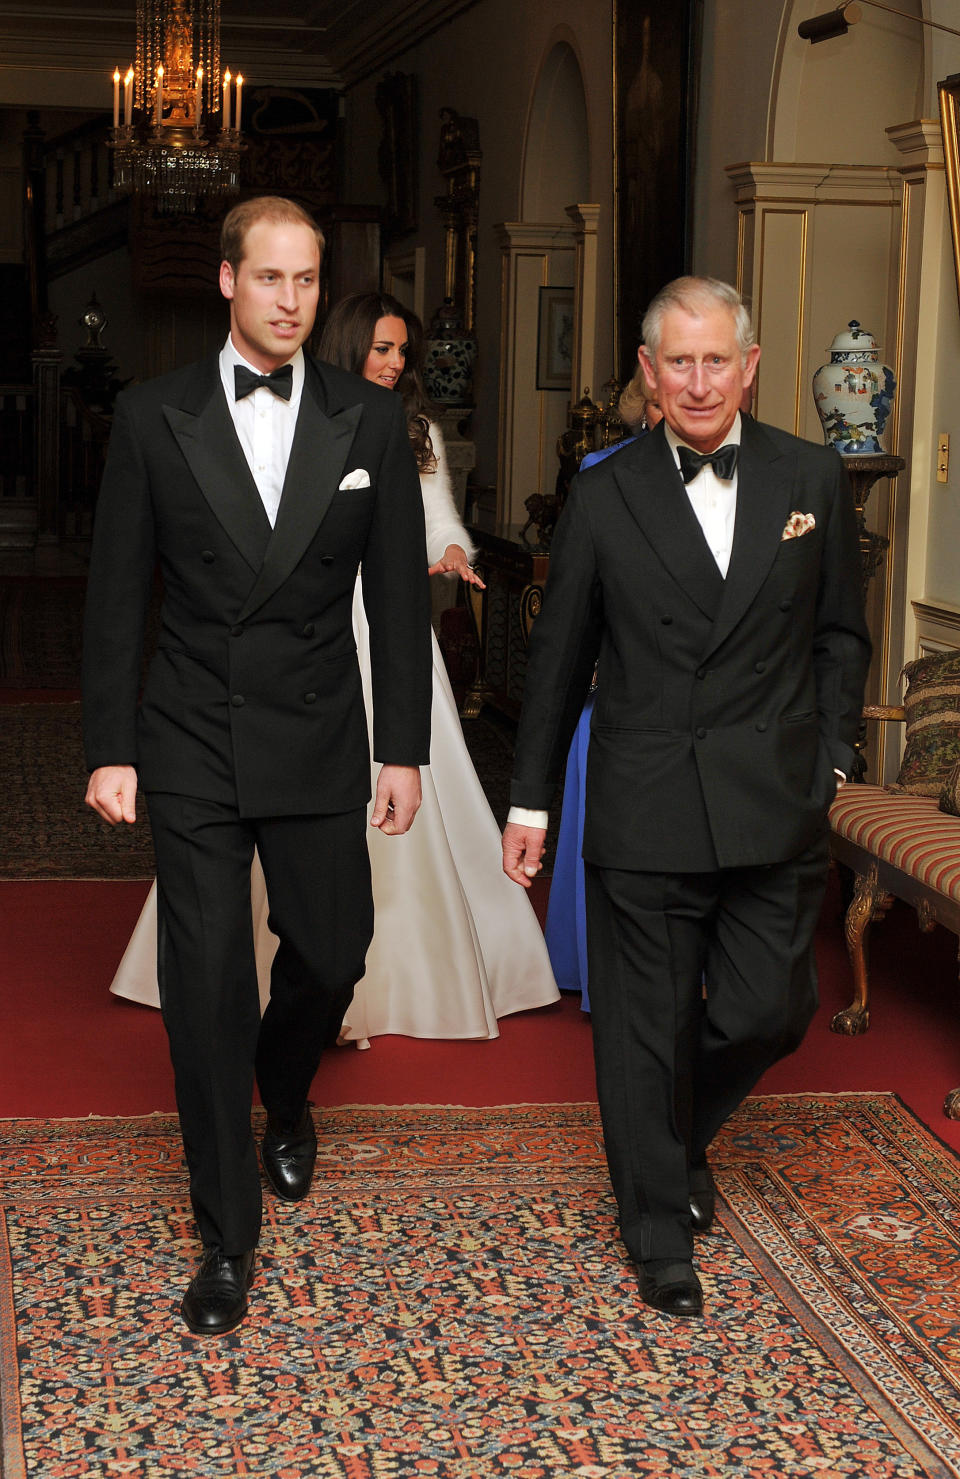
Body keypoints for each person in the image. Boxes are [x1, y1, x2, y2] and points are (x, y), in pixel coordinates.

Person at [82, 197, 433, 1336]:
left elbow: (398, 598)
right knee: (207, 993)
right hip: (190, 732)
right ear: (228, 282)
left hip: (323, 729)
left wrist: (405, 751)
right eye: (271, 278)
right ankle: (226, 1237)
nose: (291, 301)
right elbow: (113, 592)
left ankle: (288, 1096)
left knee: (333, 953)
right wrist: (111, 748)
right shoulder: (153, 415)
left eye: (307, 282)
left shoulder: (365, 421)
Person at [502, 276, 870, 1319]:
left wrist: (832, 758)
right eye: (680, 363)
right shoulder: (605, 492)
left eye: (719, 361)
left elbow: (843, 633)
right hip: (647, 797)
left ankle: (671, 1138)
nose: (700, 382)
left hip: (773, 798)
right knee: (643, 1027)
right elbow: (559, 660)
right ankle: (658, 1223)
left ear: (748, 367)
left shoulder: (812, 476)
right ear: (650, 377)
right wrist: (530, 804)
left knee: (771, 1008)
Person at [108, 292, 559, 1042]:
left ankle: (364, 1002)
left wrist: (450, 551)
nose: (395, 363)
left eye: (402, 352)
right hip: (251, 662)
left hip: (373, 635)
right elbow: (126, 591)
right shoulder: (192, 414)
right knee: (225, 897)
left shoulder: (402, 426)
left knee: (357, 885)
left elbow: (437, 515)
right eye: (382, 349)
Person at [544, 367, 662, 1012]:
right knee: (600, 829)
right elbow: (575, 594)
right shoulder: (601, 472)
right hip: (613, 686)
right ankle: (591, 967)